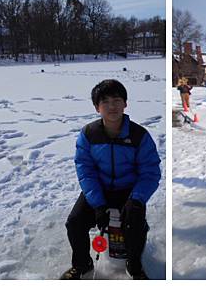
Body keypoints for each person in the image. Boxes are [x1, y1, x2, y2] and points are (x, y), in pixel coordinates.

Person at [62, 79, 161, 279]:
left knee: (135, 224)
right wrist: (98, 204)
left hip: (129, 191)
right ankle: (82, 264)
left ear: (125, 103)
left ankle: (134, 266)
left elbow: (150, 172)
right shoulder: (89, 134)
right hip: (100, 189)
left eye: (116, 100)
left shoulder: (139, 135)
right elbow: (85, 170)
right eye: (105, 101)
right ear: (97, 107)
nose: (111, 106)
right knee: (74, 222)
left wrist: (136, 200)